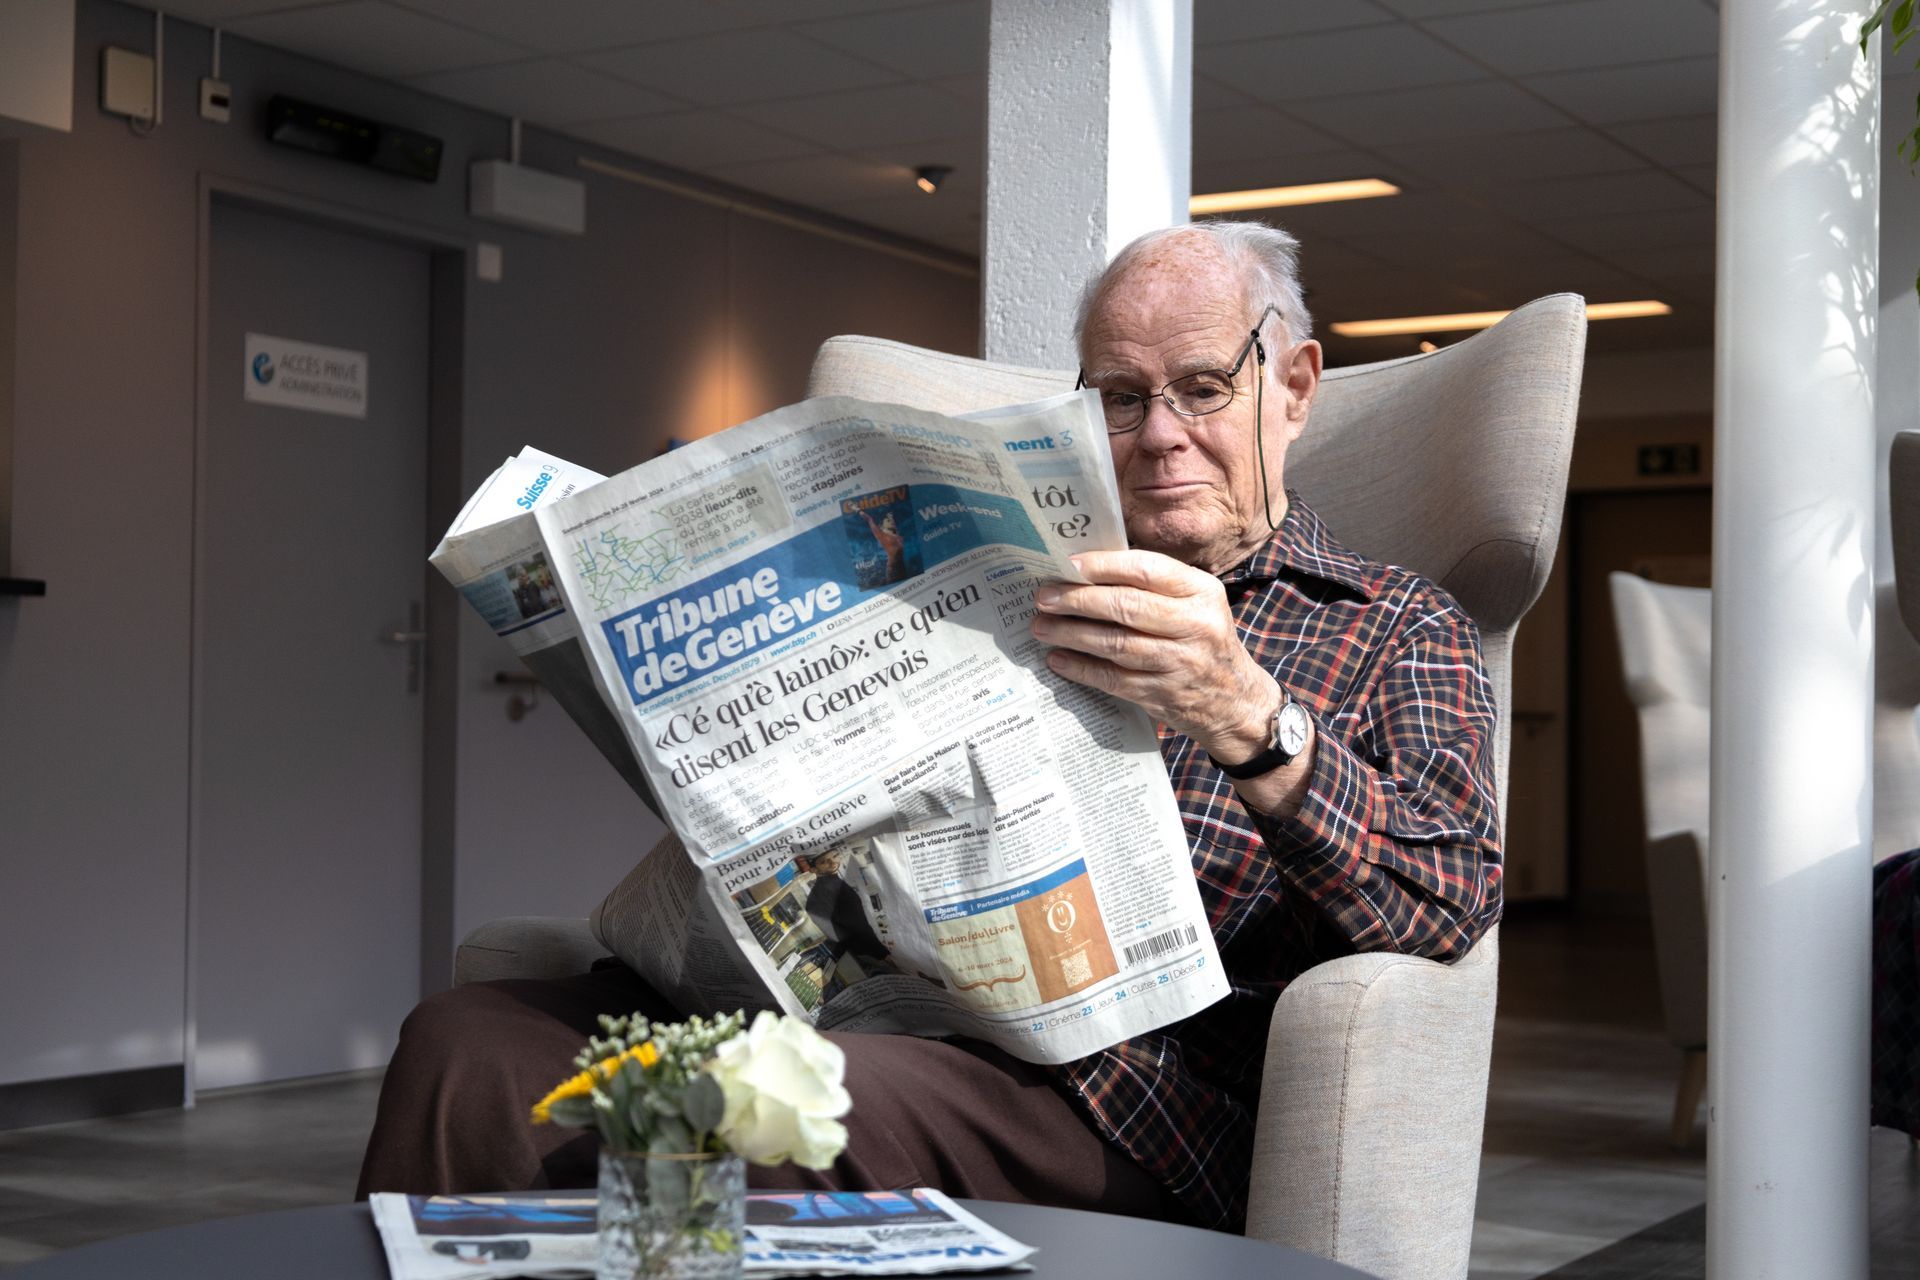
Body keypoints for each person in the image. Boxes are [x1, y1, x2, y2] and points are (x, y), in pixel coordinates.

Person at [356, 220, 1501, 1234]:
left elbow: (1446, 900)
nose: (1158, 434)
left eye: (1203, 387)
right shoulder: (989, 565)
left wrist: (1248, 714)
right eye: (1119, 396)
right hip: (845, 1002)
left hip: (1105, 1095)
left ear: (1293, 385)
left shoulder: (1393, 622)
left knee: (791, 1104)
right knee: (467, 1044)